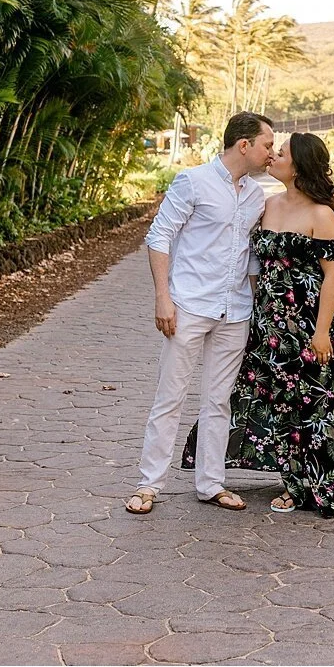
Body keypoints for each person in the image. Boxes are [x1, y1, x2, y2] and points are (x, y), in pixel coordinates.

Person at [181, 132, 334, 517]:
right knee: (278, 401)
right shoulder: (269, 205)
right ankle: (292, 480)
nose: (273, 156)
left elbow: (333, 278)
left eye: (282, 153)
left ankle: (320, 483)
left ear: (299, 165)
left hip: (309, 325)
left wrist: (322, 332)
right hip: (270, 324)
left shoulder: (321, 215)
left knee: (317, 402)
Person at [125, 112, 275, 515]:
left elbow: (250, 257)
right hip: (189, 305)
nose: (271, 153)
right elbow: (159, 236)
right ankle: (148, 485)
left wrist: (257, 305)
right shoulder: (193, 181)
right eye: (267, 145)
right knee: (170, 396)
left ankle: (211, 483)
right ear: (244, 145)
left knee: (218, 400)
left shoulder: (256, 195)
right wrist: (163, 297)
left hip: (235, 309)